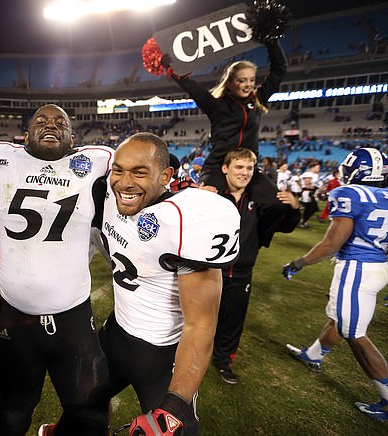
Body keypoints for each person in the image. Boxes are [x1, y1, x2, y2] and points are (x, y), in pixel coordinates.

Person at [0, 104, 114, 436]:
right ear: (26, 133)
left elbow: (143, 167)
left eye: (60, 123)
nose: (51, 125)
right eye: (42, 120)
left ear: (72, 138)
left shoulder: (96, 161)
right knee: (13, 413)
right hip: (15, 318)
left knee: (90, 416)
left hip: (74, 317)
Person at [97, 133, 241, 435]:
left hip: (161, 356)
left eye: (139, 172)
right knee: (83, 407)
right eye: (119, 170)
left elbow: (201, 325)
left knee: (177, 430)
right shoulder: (108, 196)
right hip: (116, 334)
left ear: (165, 176)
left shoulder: (184, 220)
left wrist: (175, 406)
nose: (124, 182)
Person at [282, 147, 388, 421]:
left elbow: (331, 243)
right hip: (378, 268)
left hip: (357, 269)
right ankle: (313, 355)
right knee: (339, 320)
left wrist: (298, 263)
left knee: (355, 334)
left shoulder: (351, 193)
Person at [207, 149, 300, 384]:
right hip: (208, 271)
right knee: (197, 317)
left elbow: (284, 227)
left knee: (233, 320)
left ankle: (223, 362)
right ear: (226, 168)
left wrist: (294, 209)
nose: (244, 173)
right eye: (239, 167)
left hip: (241, 273)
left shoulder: (258, 202)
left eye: (249, 168)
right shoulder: (211, 197)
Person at [164, 39, 287, 210]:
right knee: (202, 205)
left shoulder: (258, 100)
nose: (248, 85)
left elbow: (279, 70)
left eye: (252, 80)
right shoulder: (217, 105)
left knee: (277, 205)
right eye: (242, 80)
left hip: (247, 168)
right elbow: (191, 86)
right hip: (217, 167)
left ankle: (250, 237)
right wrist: (172, 68)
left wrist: (271, 41)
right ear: (229, 82)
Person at [299, 160, 321, 228]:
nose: (319, 169)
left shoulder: (314, 175)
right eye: (317, 167)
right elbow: (307, 184)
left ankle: (304, 221)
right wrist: (316, 188)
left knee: (309, 208)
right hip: (308, 192)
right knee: (312, 208)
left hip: (311, 192)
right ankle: (303, 221)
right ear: (312, 167)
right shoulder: (308, 174)